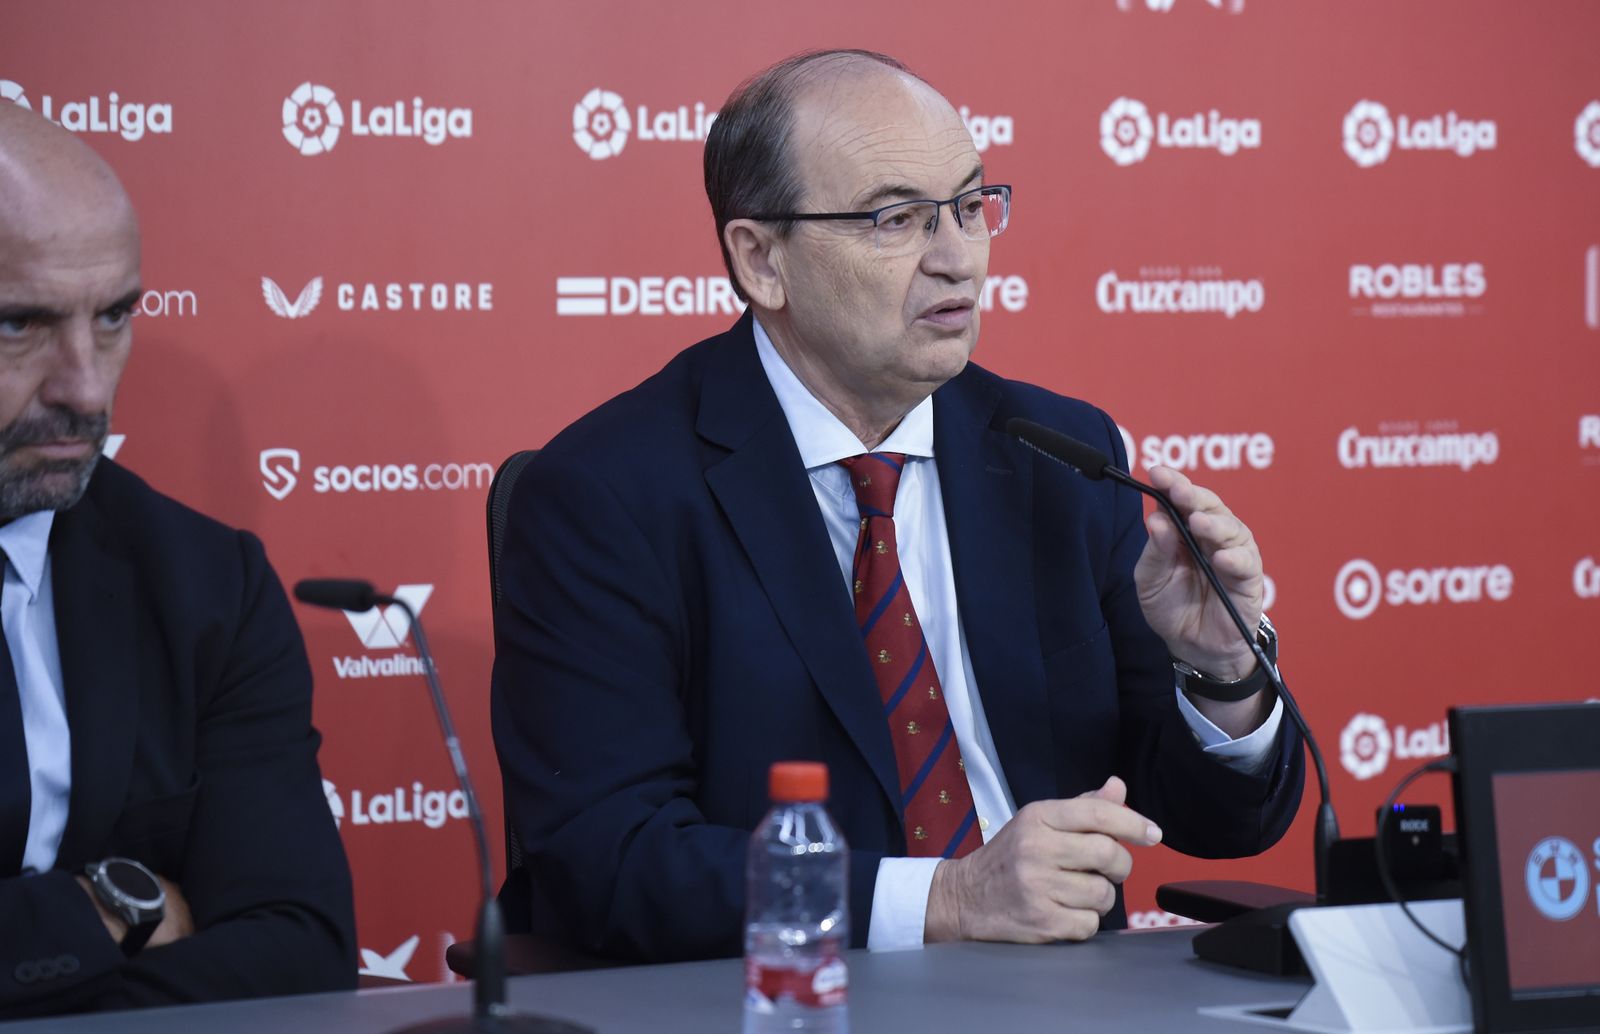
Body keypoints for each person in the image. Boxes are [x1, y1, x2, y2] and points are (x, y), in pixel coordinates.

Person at [491, 49, 1303, 963]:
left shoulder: (1061, 457)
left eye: (968, 206)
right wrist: (945, 901)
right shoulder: (608, 494)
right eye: (896, 219)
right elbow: (608, 862)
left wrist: (1221, 673)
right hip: (789, 999)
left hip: (1067, 1000)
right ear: (761, 261)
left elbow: (1217, 821)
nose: (957, 257)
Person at [0, 103, 355, 1014]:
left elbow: (300, 949)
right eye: (18, 327)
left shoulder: (204, 582)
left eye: (114, 315)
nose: (84, 385)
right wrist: (114, 912)